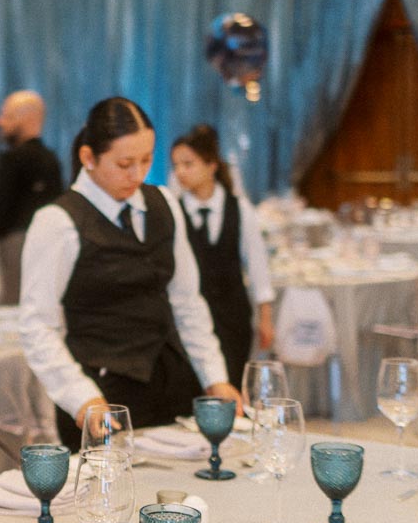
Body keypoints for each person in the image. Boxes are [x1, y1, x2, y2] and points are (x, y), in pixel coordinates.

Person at [18, 97, 242, 449]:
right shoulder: (57, 222)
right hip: (101, 395)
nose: (137, 175)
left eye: (146, 160)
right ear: (88, 157)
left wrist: (214, 376)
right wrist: (81, 397)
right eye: (124, 164)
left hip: (172, 384)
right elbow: (36, 325)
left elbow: (186, 301)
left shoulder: (164, 202)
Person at [170, 124, 275, 386]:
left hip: (233, 316)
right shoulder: (174, 211)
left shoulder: (239, 209)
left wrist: (265, 317)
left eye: (188, 164)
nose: (181, 172)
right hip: (189, 318)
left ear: (211, 165)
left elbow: (257, 265)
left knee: (232, 383)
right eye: (176, 165)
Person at [0, 90, 64, 305]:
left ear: (27, 118)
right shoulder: (51, 159)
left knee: (17, 306)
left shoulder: (13, 159)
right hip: (51, 244)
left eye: (7, 116)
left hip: (16, 245)